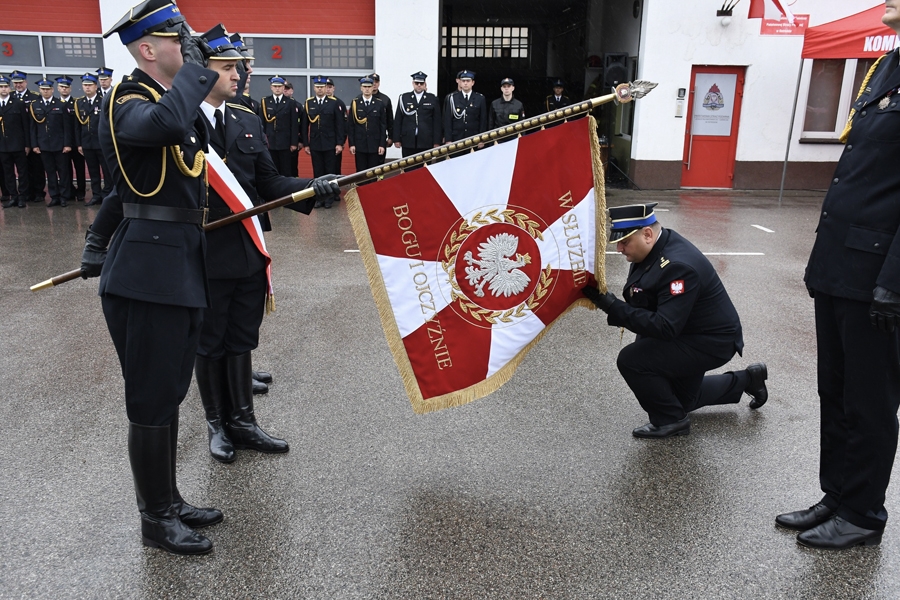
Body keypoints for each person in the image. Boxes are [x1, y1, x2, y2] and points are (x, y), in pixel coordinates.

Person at [80, 0, 223, 555]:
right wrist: (194, 72)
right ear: (148, 49)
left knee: (169, 391)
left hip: (177, 264)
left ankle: (171, 500)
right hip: (146, 273)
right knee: (150, 398)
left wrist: (95, 238)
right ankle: (155, 519)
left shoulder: (169, 101)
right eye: (176, 41)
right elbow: (161, 129)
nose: (185, 49)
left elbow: (136, 183)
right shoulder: (127, 101)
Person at [776, 0, 900, 551]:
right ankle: (838, 494)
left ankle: (864, 513)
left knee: (871, 401)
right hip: (843, 265)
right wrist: (821, 264)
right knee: (837, 391)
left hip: (879, 275)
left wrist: (894, 283)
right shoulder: (888, 65)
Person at [192, 25, 339, 463]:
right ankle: (217, 423)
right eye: (227, 67)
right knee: (209, 341)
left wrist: (314, 185)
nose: (237, 74)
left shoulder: (246, 118)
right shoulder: (179, 121)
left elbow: (268, 182)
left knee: (241, 338)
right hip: (201, 251)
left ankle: (244, 421)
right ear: (201, 72)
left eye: (238, 67)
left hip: (247, 249)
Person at [583, 203, 768, 438]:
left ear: (647, 234)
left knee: (632, 360)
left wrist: (611, 306)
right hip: (688, 331)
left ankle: (670, 421)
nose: (619, 248)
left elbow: (665, 326)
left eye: (625, 241)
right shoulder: (655, 248)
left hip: (710, 342)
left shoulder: (677, 266)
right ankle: (749, 379)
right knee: (681, 400)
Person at [30, 76, 74, 207]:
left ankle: (64, 196)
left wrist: (67, 144)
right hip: (43, 145)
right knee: (50, 172)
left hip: (59, 144)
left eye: (47, 89)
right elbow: (33, 128)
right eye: (43, 89)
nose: (45, 91)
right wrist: (34, 145)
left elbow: (66, 127)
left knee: (63, 171)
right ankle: (54, 196)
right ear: (39, 90)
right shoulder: (35, 105)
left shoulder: (60, 104)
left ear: (52, 90)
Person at [302, 75, 345, 207]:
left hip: (330, 143)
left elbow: (340, 125)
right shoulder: (309, 103)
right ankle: (319, 197)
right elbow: (304, 125)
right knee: (318, 172)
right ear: (314, 88)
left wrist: (339, 143)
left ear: (326, 88)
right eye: (317, 87)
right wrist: (306, 144)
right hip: (315, 143)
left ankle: (329, 198)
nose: (320, 89)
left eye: (322, 87)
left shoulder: (334, 103)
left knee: (330, 171)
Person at [74, 73, 112, 205]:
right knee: (93, 171)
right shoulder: (79, 103)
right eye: (85, 85)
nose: (87, 88)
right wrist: (79, 144)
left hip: (102, 143)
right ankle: (96, 195)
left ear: (96, 86)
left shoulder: (104, 101)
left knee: (107, 171)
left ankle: (107, 194)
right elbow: (77, 126)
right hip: (87, 143)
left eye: (90, 85)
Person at [11, 70, 45, 202]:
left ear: (26, 82)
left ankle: (38, 192)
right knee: (23, 169)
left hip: (33, 138)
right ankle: (26, 192)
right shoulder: (10, 97)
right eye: (16, 83)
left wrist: (32, 143)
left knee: (37, 168)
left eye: (20, 82)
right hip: (18, 139)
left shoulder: (34, 97)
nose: (18, 85)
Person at [393, 71, 441, 159]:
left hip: (426, 141)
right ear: (413, 83)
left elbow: (437, 121)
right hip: (408, 140)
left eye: (421, 83)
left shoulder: (432, 98)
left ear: (425, 84)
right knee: (408, 168)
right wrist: (396, 139)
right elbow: (398, 119)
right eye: (416, 83)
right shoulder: (404, 97)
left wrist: (437, 141)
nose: (419, 85)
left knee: (424, 167)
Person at [0, 75, 31, 208]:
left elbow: (25, 125)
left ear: (10, 88)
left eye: (6, 86)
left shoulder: (18, 103)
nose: (3, 89)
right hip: (3, 146)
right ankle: (13, 195)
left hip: (18, 144)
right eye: (1, 87)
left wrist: (27, 144)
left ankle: (22, 196)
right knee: (8, 172)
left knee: (22, 172)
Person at [259, 75, 299, 177]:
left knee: (286, 171)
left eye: (279, 86)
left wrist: (294, 142)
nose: (277, 88)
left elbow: (294, 124)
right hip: (270, 142)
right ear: (271, 87)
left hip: (285, 143)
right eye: (275, 86)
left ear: (283, 87)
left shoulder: (290, 103)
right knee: (272, 170)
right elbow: (262, 124)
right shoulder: (265, 102)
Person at [348, 76, 388, 172]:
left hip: (374, 144)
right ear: (361, 88)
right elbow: (351, 125)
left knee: (373, 172)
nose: (367, 89)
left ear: (372, 87)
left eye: (369, 87)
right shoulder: (355, 103)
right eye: (364, 87)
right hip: (360, 144)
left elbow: (383, 126)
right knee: (361, 172)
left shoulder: (379, 104)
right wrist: (352, 144)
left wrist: (382, 144)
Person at [57, 76, 86, 202]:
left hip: (75, 142)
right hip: (62, 143)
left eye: (66, 87)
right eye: (62, 87)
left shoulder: (76, 103)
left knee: (79, 168)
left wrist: (79, 143)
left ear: (70, 89)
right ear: (58, 88)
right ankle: (68, 190)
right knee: (64, 169)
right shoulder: (56, 104)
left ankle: (81, 191)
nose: (64, 89)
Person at [443, 70, 487, 144]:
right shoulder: (452, 98)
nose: (465, 83)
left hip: (474, 139)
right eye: (463, 81)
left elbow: (483, 121)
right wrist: (448, 139)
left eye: (468, 81)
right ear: (460, 82)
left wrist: (481, 139)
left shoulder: (480, 98)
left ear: (472, 82)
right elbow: (448, 120)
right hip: (456, 139)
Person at [367, 72, 393, 164]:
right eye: (372, 81)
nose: (374, 84)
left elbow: (390, 120)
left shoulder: (385, 99)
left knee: (379, 166)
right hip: (365, 139)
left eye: (376, 82)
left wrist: (391, 137)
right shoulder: (360, 100)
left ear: (379, 83)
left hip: (380, 138)